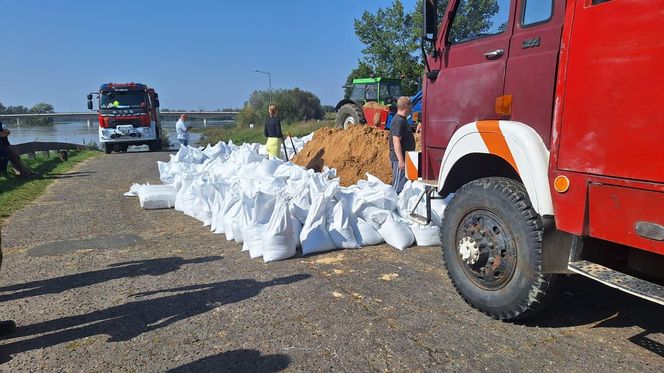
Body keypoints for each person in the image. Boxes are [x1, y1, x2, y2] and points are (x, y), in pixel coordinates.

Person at [389, 96, 416, 194]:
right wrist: (401, 161)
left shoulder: (403, 120)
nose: (412, 107)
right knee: (398, 188)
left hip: (406, 158)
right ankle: (394, 207)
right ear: (406, 106)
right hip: (399, 159)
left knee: (406, 186)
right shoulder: (398, 121)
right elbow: (396, 141)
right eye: (411, 105)